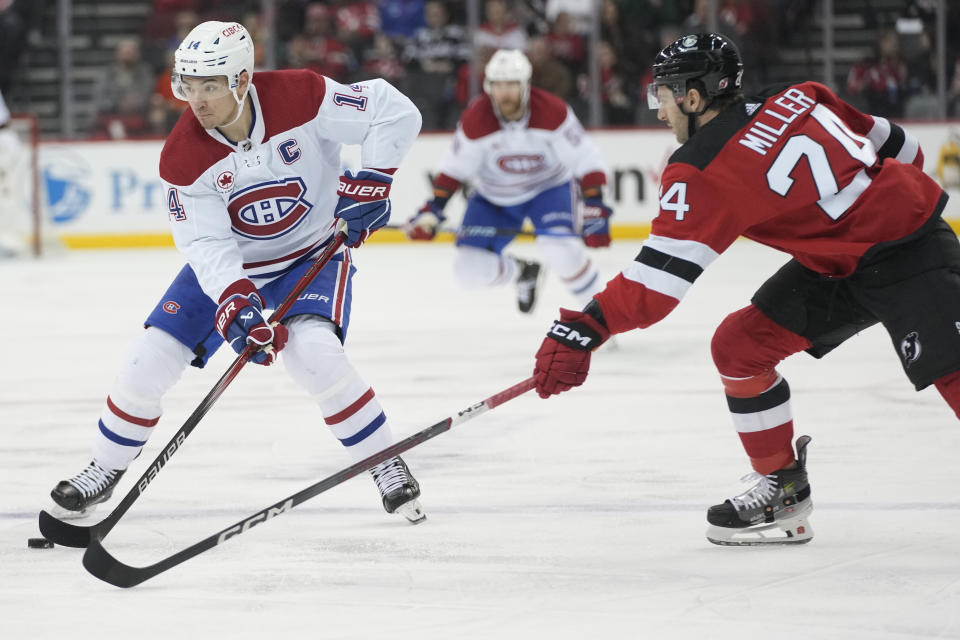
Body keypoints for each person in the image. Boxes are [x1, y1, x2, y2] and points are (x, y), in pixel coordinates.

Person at [531, 33, 955, 546]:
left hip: (907, 254)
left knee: (953, 372)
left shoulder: (701, 167)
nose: (659, 110)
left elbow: (656, 283)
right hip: (847, 261)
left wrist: (586, 328)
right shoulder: (799, 93)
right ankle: (783, 487)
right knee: (741, 347)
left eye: (662, 96)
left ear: (692, 97)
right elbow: (903, 148)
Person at [49, 20, 427, 525]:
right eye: (188, 85)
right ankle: (105, 466)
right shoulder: (183, 156)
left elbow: (392, 111)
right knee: (148, 359)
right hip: (235, 263)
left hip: (310, 253)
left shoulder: (303, 95)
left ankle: (384, 461)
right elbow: (205, 242)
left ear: (243, 80)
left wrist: (375, 181)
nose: (196, 100)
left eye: (210, 85)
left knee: (315, 353)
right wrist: (235, 299)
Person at [405, 48, 614, 314]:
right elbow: (453, 169)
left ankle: (602, 318)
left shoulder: (552, 111)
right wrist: (433, 210)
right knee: (467, 271)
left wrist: (594, 204)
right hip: (495, 198)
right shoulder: (476, 119)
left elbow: (586, 158)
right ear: (488, 87)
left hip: (548, 190)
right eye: (498, 85)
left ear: (526, 85)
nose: (505, 93)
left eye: (512, 85)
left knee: (562, 251)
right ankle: (523, 272)